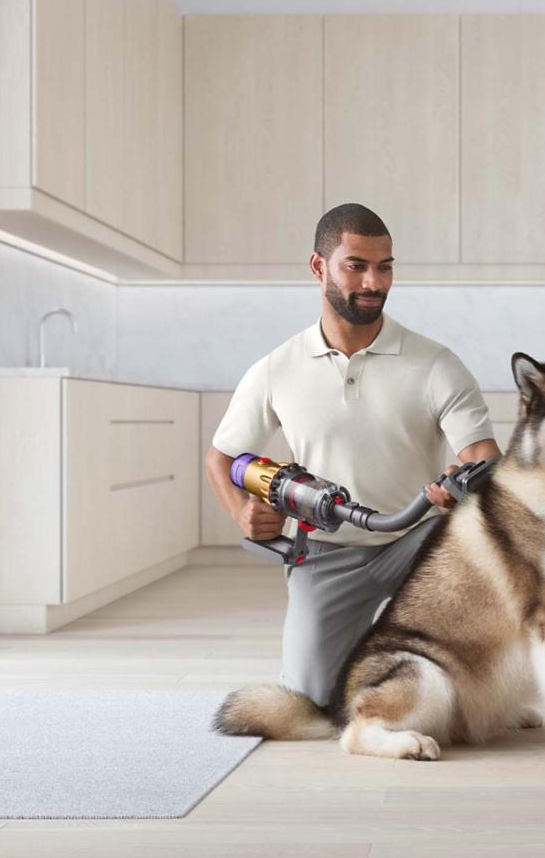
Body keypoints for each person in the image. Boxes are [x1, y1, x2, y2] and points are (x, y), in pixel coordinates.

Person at [205, 203, 500, 709]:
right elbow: (221, 457)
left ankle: (480, 679)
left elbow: (485, 459)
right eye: (356, 266)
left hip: (416, 538)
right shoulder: (278, 369)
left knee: (485, 546)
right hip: (325, 552)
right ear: (319, 267)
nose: (373, 282)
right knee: (311, 701)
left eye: (385, 267)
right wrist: (243, 514)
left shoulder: (434, 364)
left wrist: (464, 482)